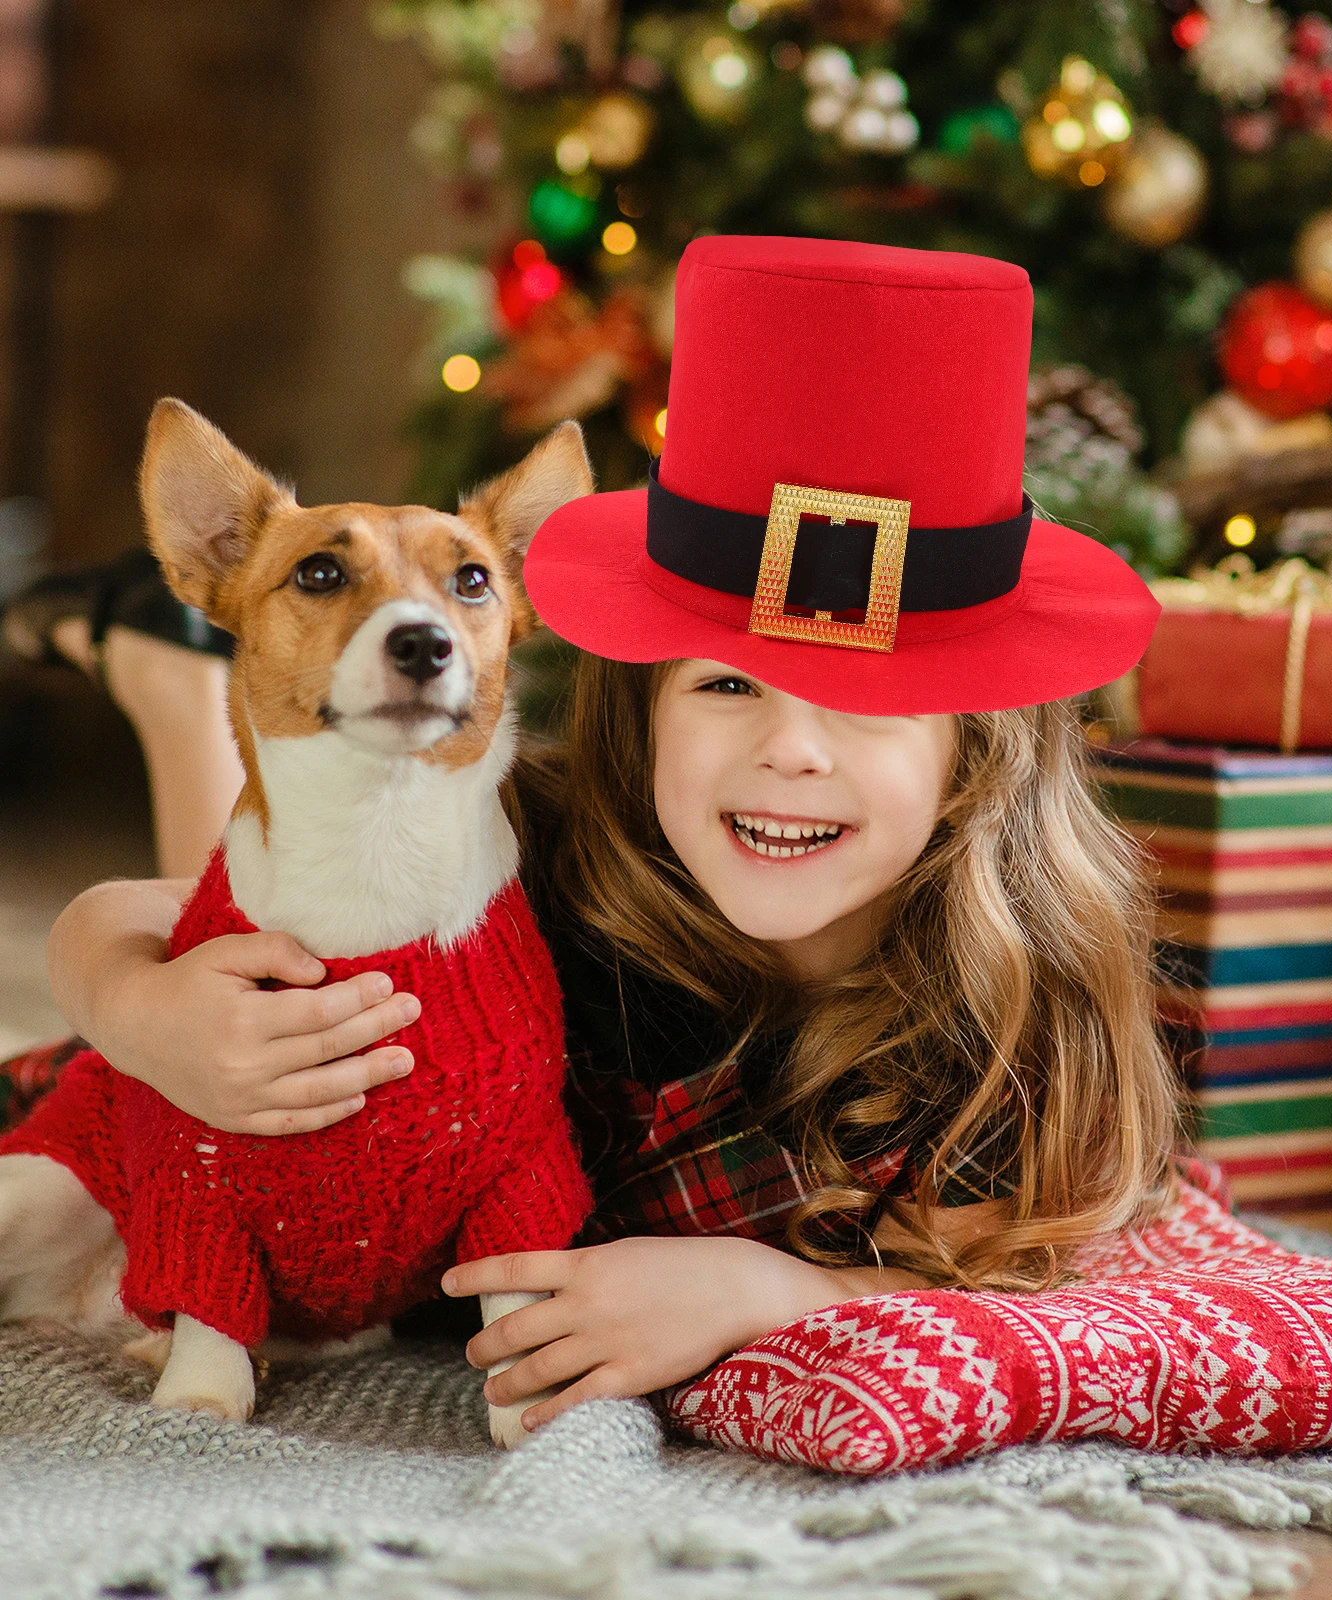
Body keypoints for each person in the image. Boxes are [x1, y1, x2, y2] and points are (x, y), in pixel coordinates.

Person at [4, 236, 1177, 1438]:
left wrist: (777, 1290)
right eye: (727, 687)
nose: (793, 752)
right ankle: (180, 684)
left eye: (869, 706)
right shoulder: (553, 835)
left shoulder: (1020, 1023)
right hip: (257, 1140)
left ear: (974, 750)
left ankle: (166, 670)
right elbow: (141, 914)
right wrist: (140, 1014)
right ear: (645, 702)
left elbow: (1041, 1304)